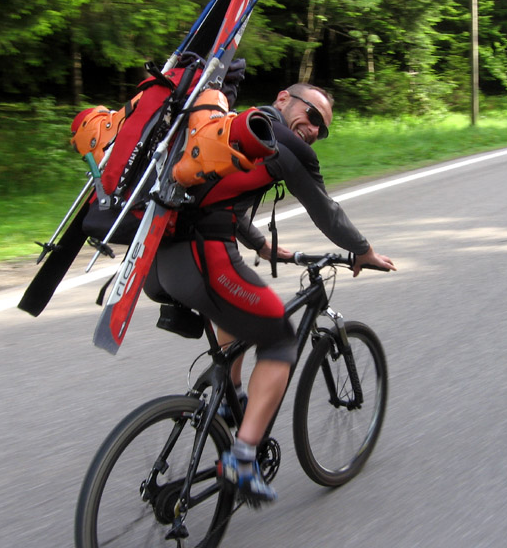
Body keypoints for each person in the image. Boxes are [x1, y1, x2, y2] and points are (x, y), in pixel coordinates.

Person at [148, 83, 395, 506]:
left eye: (322, 129)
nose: (314, 130)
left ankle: (230, 400)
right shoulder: (284, 145)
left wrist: (260, 244)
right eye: (312, 116)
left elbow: (216, 199)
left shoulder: (234, 128)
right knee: (280, 338)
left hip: (161, 263)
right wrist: (362, 250)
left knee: (235, 312)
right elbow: (324, 210)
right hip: (203, 259)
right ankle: (242, 460)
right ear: (283, 99)